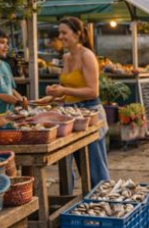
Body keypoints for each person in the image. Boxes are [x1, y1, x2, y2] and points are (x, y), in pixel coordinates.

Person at [45, 16, 110, 190]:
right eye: (59, 32)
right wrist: (52, 95)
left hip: (90, 114)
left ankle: (102, 203)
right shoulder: (66, 57)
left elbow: (92, 91)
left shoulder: (87, 56)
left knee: (95, 169)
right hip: (70, 114)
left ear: (78, 34)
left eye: (64, 32)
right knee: (69, 165)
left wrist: (64, 91)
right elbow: (68, 89)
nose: (60, 36)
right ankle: (74, 204)